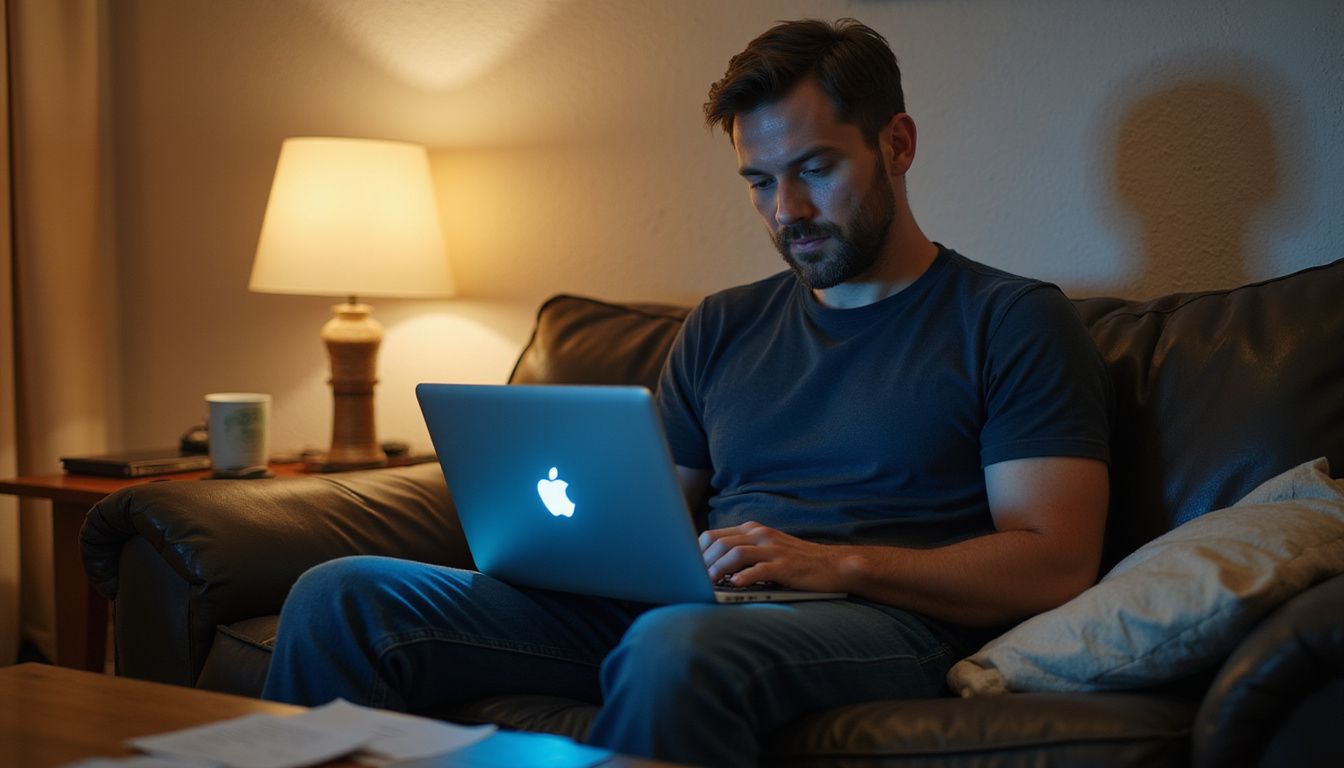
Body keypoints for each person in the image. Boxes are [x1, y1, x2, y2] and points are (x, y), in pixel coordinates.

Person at [262, 18, 1112, 767]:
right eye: (758, 181)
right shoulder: (722, 326)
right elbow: (650, 523)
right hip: (698, 608)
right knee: (342, 595)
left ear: (896, 144)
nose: (787, 210)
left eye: (814, 169)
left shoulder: (1010, 320)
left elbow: (1056, 561)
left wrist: (837, 563)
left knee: (672, 642)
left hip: (882, 619)